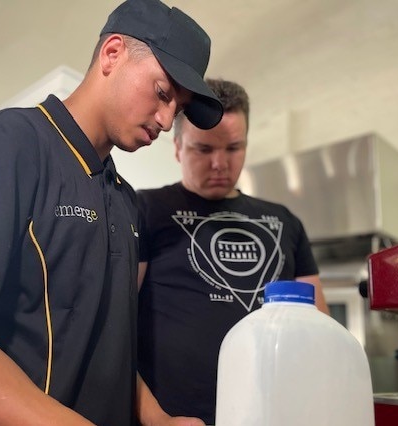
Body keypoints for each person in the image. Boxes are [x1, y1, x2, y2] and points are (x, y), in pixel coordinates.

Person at [0, 0, 223, 424]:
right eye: (162, 93)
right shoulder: (8, 144)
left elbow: (103, 347)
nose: (167, 117)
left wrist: (159, 419)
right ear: (113, 53)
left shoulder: (124, 200)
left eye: (179, 107)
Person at [136, 78, 329, 425]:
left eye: (233, 148)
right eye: (204, 149)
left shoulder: (285, 222)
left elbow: (320, 331)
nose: (220, 164)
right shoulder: (144, 209)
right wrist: (155, 419)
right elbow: (114, 329)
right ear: (178, 146)